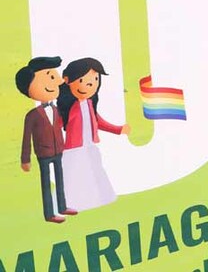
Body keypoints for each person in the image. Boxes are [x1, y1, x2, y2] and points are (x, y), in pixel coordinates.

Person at [58, 58, 131, 211]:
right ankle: (68, 203)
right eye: (83, 80)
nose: (91, 84)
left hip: (90, 146)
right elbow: (55, 126)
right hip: (74, 149)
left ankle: (100, 199)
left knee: (95, 171)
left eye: (96, 79)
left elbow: (98, 121)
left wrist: (117, 129)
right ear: (67, 81)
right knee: (72, 176)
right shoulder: (68, 108)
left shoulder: (89, 103)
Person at [15, 56, 76, 223]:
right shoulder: (32, 115)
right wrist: (25, 159)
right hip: (43, 153)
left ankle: (62, 206)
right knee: (46, 184)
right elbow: (26, 137)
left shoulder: (56, 109)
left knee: (60, 179)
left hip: (58, 150)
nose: (56, 82)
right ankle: (49, 213)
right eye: (49, 76)